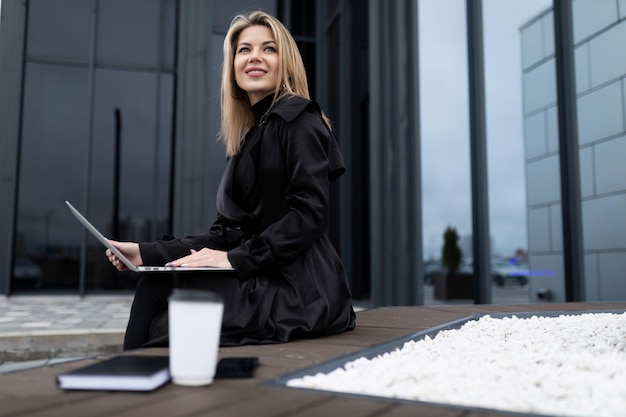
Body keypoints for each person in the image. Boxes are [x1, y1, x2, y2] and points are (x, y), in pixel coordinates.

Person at [106, 10, 356, 350]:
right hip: (261, 272)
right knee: (156, 285)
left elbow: (309, 215)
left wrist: (235, 259)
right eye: (244, 50)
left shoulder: (299, 119)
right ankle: (129, 383)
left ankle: (138, 386)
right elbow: (225, 233)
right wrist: (145, 254)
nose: (255, 56)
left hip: (302, 288)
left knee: (172, 322)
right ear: (233, 66)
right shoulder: (248, 138)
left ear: (286, 62)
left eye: (268, 48)